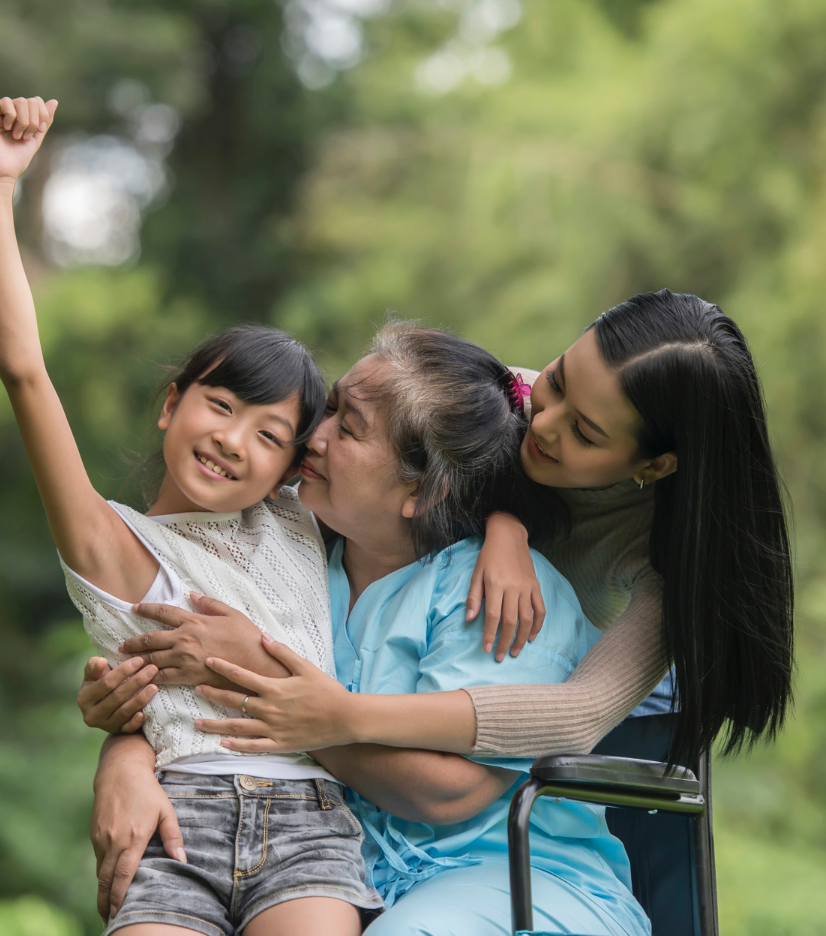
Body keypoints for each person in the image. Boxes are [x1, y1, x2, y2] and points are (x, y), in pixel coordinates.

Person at [91, 324, 650, 936]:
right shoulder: (293, 558)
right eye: (329, 407)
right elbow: (180, 692)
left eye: (348, 427)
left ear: (424, 489)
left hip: (515, 878)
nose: (314, 435)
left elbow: (450, 793)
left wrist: (263, 684)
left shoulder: (503, 594)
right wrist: (125, 755)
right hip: (337, 870)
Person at [0, 95, 381, 936]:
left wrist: (506, 530)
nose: (232, 439)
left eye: (268, 434)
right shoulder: (114, 544)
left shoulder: (302, 521)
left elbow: (479, 412)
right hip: (173, 821)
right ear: (172, 403)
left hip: (308, 821)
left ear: (292, 465)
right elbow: (23, 371)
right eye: (221, 405)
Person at [92, 291, 795, 774]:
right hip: (383, 679)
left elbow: (578, 716)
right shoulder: (511, 407)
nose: (541, 424)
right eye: (554, 381)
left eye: (583, 432)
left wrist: (344, 715)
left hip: (526, 719)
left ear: (655, 465)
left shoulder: (664, 559)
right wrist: (127, 748)